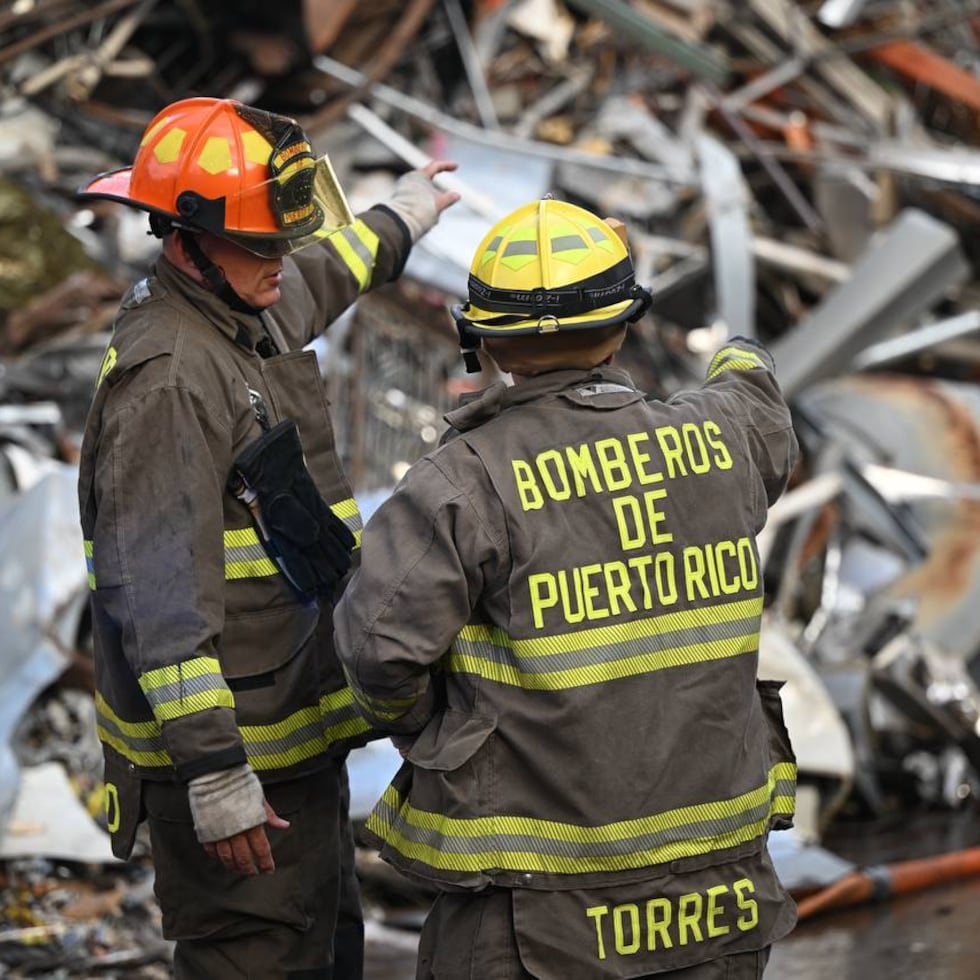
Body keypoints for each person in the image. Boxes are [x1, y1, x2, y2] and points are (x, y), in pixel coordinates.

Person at [333, 198, 800, 979]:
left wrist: (447, 729)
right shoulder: (722, 439)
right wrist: (742, 352)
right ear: (624, 325)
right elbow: (757, 400)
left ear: (484, 339)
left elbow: (378, 654)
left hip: (535, 921)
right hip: (716, 906)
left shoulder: (462, 482)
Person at [75, 96, 459, 979]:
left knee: (321, 951)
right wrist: (215, 774)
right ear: (187, 238)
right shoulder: (170, 379)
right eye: (262, 246)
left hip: (288, 746)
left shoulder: (241, 304)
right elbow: (158, 603)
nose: (281, 261)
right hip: (234, 766)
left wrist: (406, 213)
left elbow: (327, 271)